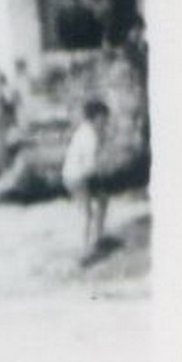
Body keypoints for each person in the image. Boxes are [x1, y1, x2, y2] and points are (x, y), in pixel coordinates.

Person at [62, 97, 114, 262]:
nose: (105, 122)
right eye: (103, 118)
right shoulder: (88, 136)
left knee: (103, 200)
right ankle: (84, 252)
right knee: (86, 213)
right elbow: (90, 164)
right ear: (96, 117)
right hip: (77, 177)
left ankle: (98, 239)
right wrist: (102, 174)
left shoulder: (88, 130)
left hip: (80, 174)